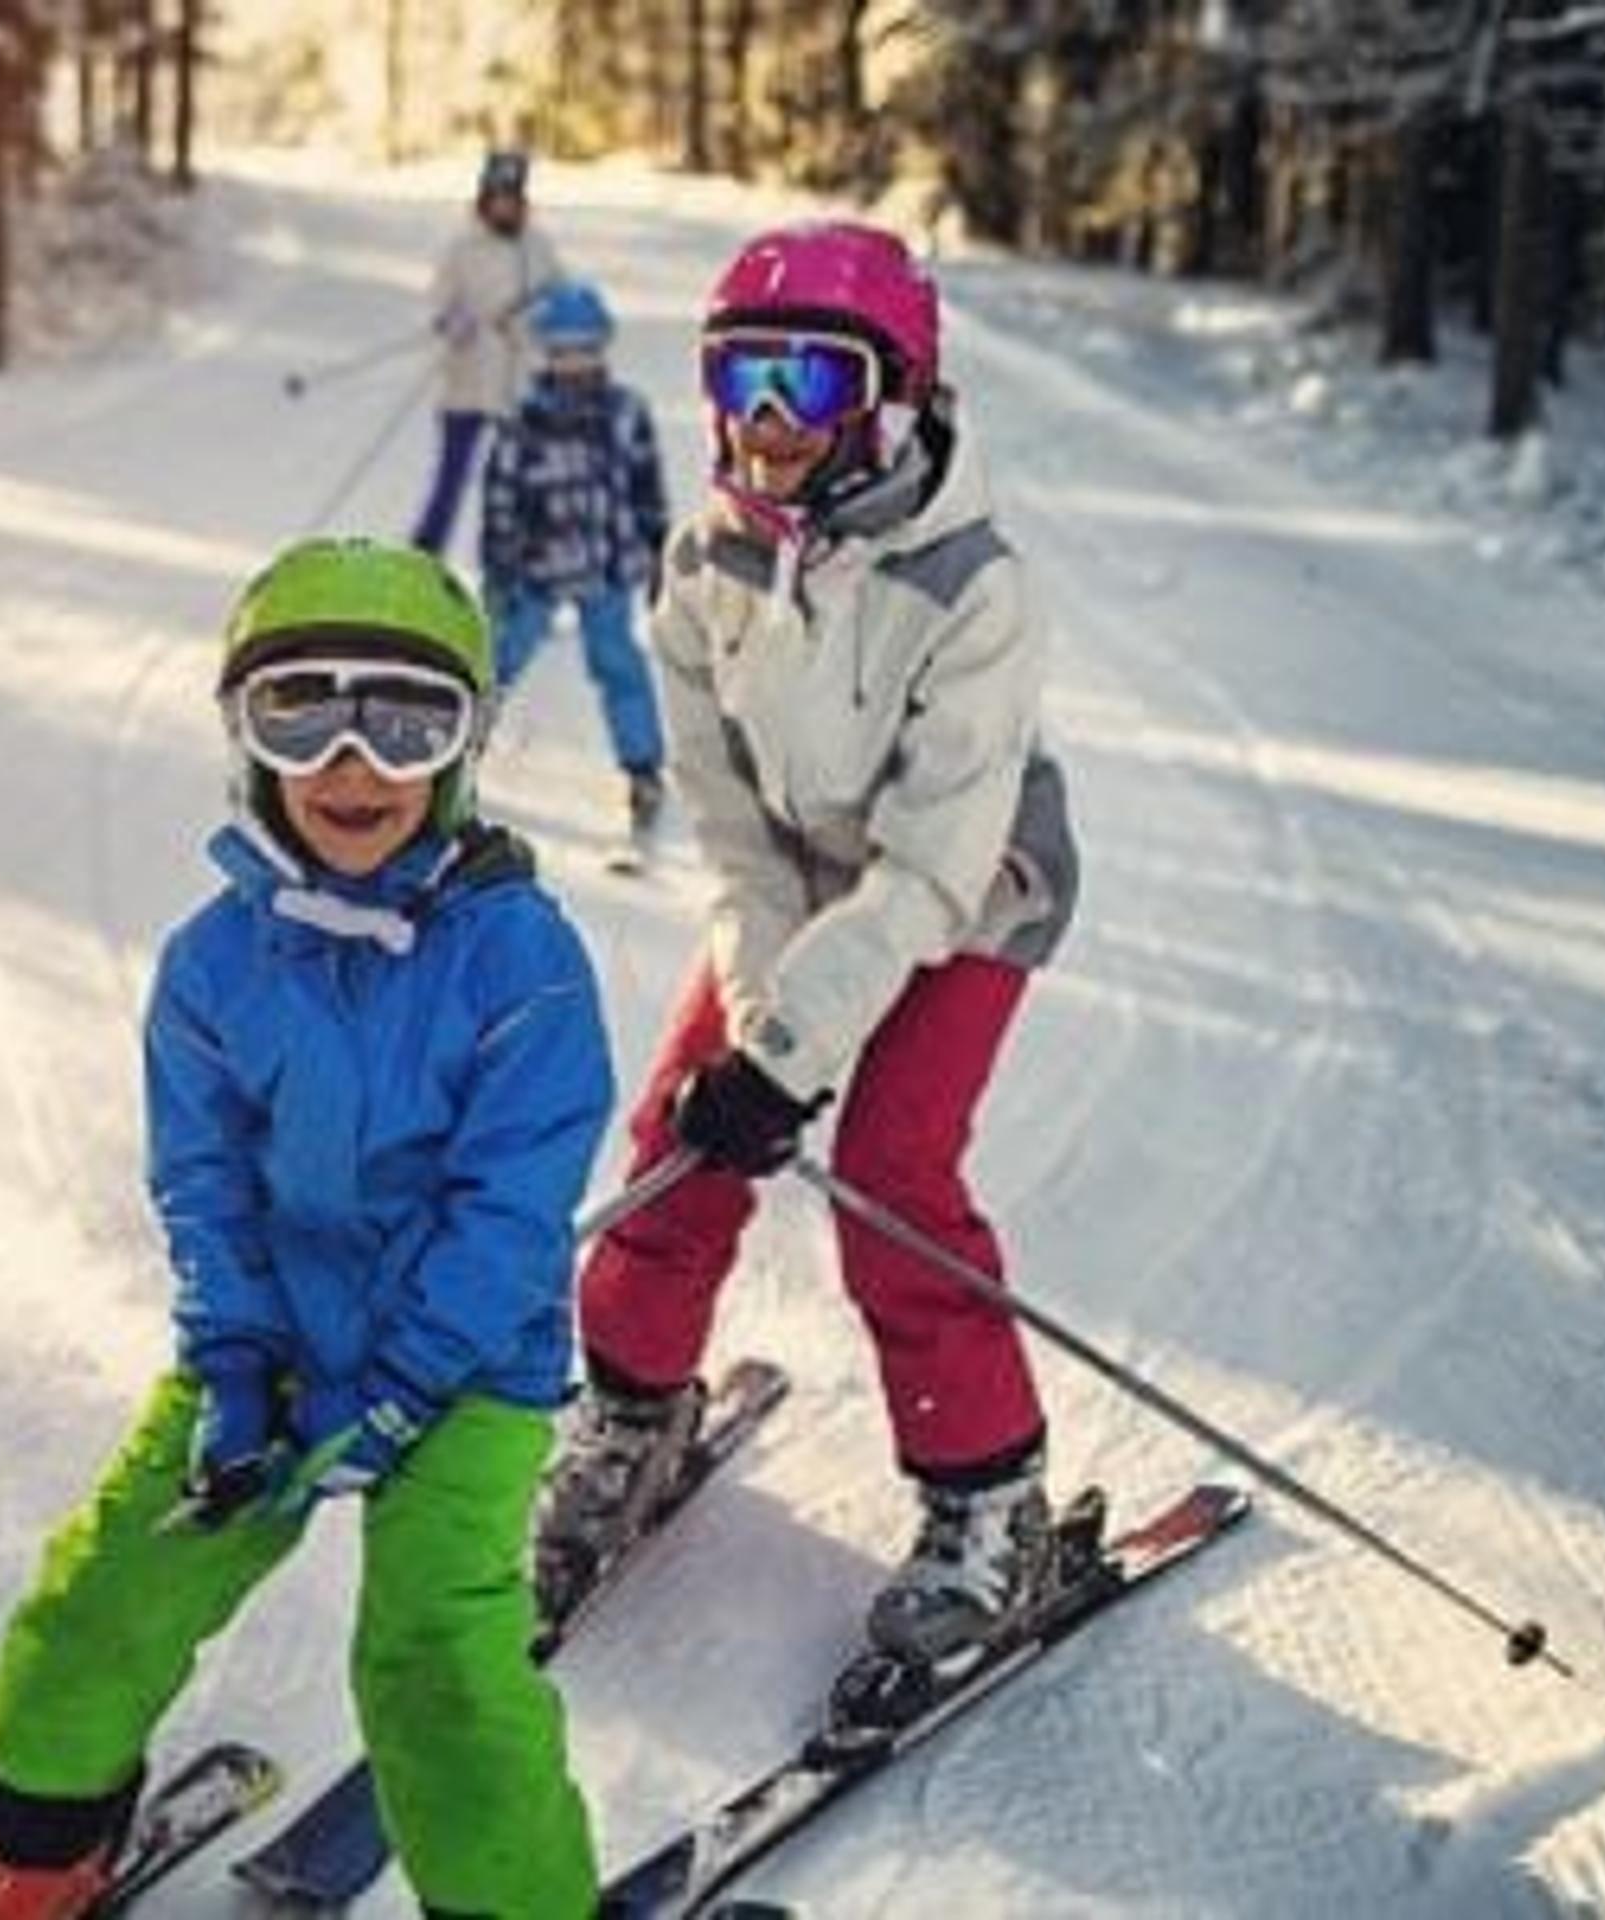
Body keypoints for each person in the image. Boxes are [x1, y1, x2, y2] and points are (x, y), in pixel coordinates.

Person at [0, 538, 612, 1920]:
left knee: (432, 1658)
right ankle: (33, 1855)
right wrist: (234, 1361)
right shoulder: (211, 966)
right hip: (278, 1344)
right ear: (246, 739)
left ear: (465, 746)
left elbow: (515, 1205)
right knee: (108, 1589)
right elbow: (206, 1187)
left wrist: (413, 1384)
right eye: (303, 713)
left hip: (466, 1369)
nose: (355, 766)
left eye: (406, 722)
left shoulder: (520, 956)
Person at [529, 221, 1083, 1675]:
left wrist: (794, 1057)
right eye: (742, 378)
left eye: (811, 385)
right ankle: (634, 1415)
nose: (767, 424)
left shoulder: (974, 586)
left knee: (893, 1172)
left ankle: (988, 1499)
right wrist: (766, 1041)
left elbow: (922, 875)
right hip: (794, 879)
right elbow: (730, 836)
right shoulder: (701, 562)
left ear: (895, 395)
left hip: (961, 892)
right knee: (680, 1135)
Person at [477, 277, 674, 850]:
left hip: (607, 565)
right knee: (498, 657)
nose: (575, 364)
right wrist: (500, 566)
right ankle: (451, 755)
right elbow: (500, 494)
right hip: (535, 569)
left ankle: (642, 768)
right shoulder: (523, 420)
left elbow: (646, 484)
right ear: (546, 353)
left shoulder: (626, 412)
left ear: (603, 348)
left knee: (618, 663)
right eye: (563, 352)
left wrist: (658, 548)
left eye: (586, 350)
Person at [409, 148, 564, 558]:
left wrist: (531, 320)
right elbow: (437, 302)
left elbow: (559, 300)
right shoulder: (461, 246)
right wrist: (452, 322)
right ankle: (425, 554)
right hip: (468, 383)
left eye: (512, 198)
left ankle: (517, 560)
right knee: (451, 478)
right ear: (484, 198)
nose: (505, 206)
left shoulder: (538, 246)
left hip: (519, 386)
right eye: (498, 197)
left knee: (518, 479)